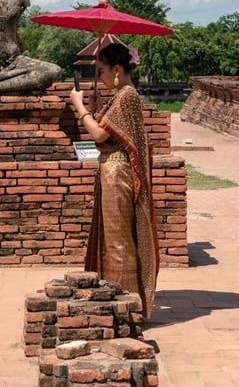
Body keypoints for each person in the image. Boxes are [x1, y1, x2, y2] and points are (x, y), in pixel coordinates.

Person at [70, 42, 159, 317]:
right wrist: (96, 109)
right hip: (112, 171)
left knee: (120, 241)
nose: (100, 78)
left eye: (101, 71)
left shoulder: (126, 96)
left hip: (118, 172)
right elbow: (107, 129)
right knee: (113, 239)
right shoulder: (120, 96)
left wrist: (79, 107)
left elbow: (98, 135)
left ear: (117, 69)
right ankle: (117, 297)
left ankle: (125, 305)